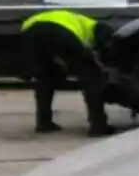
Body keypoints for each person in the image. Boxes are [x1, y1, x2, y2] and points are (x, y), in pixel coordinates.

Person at [22, 8, 113, 136]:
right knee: (92, 79)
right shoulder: (92, 29)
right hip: (61, 32)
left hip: (30, 31)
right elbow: (92, 53)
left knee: (44, 79)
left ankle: (44, 122)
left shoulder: (78, 20)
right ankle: (98, 126)